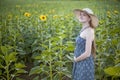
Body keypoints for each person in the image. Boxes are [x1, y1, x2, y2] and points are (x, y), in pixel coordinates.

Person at [72, 8, 99, 80]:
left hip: (84, 63)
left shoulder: (89, 31)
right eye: (80, 15)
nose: (81, 16)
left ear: (89, 18)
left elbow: (87, 53)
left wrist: (76, 60)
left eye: (84, 15)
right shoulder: (84, 29)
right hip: (80, 62)